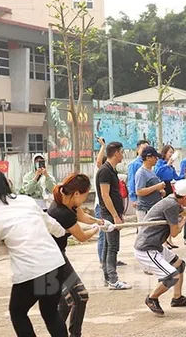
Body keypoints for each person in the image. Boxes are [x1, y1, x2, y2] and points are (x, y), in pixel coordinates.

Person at [0, 168, 68, 337]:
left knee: (18, 313)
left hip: (30, 272)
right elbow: (52, 225)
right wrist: (64, 232)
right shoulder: (26, 200)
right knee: (50, 313)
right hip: (54, 263)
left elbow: (1, 250)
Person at [48, 173, 111, 337]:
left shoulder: (66, 201)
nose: (84, 199)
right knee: (74, 299)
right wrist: (98, 230)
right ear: (76, 193)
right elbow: (81, 237)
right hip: (49, 259)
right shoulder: (62, 212)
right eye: (84, 195)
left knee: (73, 299)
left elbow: (82, 216)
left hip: (57, 255)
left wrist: (99, 222)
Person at [134, 179, 186, 315]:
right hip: (146, 248)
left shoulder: (172, 199)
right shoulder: (171, 205)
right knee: (172, 276)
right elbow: (174, 232)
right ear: (185, 197)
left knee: (179, 264)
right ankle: (152, 298)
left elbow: (184, 210)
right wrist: (183, 222)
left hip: (155, 245)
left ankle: (177, 298)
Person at [96, 142, 131, 290]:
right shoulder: (105, 171)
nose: (122, 155)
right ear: (116, 153)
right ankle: (113, 279)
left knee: (108, 246)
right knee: (113, 247)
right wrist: (115, 216)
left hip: (112, 213)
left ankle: (107, 277)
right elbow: (105, 195)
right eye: (121, 152)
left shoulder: (112, 170)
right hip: (108, 215)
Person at [155, 145, 181, 249]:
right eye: (170, 152)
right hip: (162, 186)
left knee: (172, 213)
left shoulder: (171, 166)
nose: (171, 154)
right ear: (165, 152)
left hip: (170, 186)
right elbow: (157, 173)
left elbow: (176, 177)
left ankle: (170, 239)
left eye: (172, 152)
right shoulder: (160, 163)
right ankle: (164, 241)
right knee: (164, 213)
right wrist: (167, 165)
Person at [135, 146, 166, 223]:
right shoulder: (141, 173)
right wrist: (156, 187)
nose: (157, 159)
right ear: (148, 157)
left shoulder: (151, 171)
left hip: (153, 208)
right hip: (145, 210)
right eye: (155, 157)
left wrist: (160, 191)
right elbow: (139, 191)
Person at [94, 137, 107, 266]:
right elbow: (98, 161)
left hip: (105, 207)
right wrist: (103, 146)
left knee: (108, 234)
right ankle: (102, 260)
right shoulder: (100, 170)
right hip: (100, 207)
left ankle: (107, 259)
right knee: (103, 234)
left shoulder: (107, 172)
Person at [127, 140, 150, 207]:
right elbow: (131, 181)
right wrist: (134, 199)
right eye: (143, 148)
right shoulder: (134, 164)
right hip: (139, 197)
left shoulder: (149, 162)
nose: (146, 151)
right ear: (138, 150)